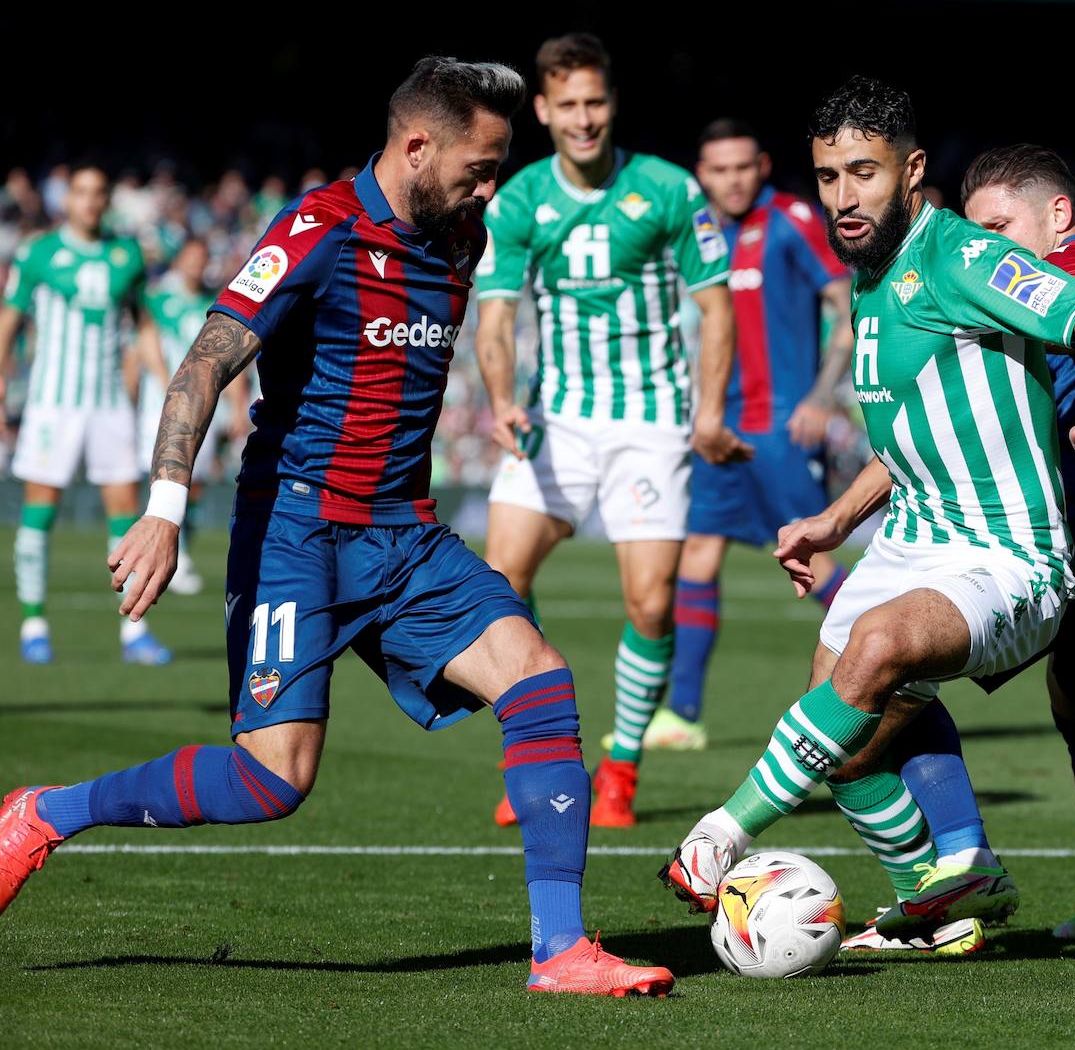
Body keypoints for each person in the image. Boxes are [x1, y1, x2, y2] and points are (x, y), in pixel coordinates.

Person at [0, 57, 674, 997]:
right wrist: (163, 509)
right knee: (272, 782)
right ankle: (44, 811)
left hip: (406, 535)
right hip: (297, 535)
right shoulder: (316, 230)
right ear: (415, 146)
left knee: (541, 678)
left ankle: (559, 951)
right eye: (480, 167)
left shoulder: (459, 233)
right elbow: (203, 362)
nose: (492, 188)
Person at [660, 77, 1075, 923]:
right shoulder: (869, 274)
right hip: (910, 546)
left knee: (875, 646)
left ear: (911, 169)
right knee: (843, 745)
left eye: (864, 173)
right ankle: (941, 901)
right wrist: (834, 519)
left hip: (1010, 556)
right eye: (828, 177)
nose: (844, 198)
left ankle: (717, 836)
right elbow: (908, 436)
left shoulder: (961, 256)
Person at [840, 145, 1075, 950]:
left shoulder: (1070, 271)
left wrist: (841, 515)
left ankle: (950, 877)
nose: (985, 248)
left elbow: (972, 430)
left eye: (997, 227)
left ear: (1057, 216)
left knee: (879, 677)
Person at [476, 34, 750, 828]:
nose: (584, 118)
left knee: (650, 603)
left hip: (650, 421)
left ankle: (620, 770)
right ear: (543, 110)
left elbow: (714, 306)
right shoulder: (520, 199)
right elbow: (495, 316)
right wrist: (499, 399)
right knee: (498, 583)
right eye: (568, 105)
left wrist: (706, 410)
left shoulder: (668, 188)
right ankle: (537, 757)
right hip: (554, 417)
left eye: (595, 102)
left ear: (611, 102)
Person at [641, 118, 855, 753]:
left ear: (760, 166)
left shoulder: (790, 218)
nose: (731, 180)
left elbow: (845, 309)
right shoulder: (697, 234)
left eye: (742, 167)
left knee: (806, 559)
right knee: (697, 557)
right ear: (701, 175)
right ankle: (682, 715)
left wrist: (822, 397)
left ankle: (887, 667)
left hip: (781, 426)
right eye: (718, 170)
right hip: (717, 426)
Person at [0, 162, 173, 665]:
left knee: (124, 512)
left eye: (98, 193)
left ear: (106, 200)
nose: (90, 201)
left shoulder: (126, 255)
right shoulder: (40, 253)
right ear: (67, 199)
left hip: (109, 405)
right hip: (53, 403)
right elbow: (10, 317)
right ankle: (34, 623)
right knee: (40, 509)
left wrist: (163, 381)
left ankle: (134, 631)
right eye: (81, 192)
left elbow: (143, 325)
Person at [135, 236, 250, 595]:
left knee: (195, 485)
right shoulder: (158, 301)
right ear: (180, 260)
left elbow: (230, 359)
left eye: (202, 258)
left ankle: (179, 551)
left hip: (205, 405)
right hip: (162, 403)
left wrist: (238, 405)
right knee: (163, 478)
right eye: (191, 257)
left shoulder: (213, 304)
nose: (196, 265)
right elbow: (141, 345)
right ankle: (166, 553)